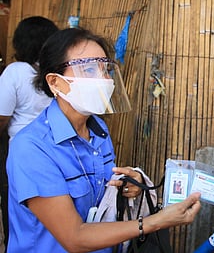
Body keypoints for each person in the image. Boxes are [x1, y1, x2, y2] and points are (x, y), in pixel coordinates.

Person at [6, 28, 201, 253]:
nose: (104, 79)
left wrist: (129, 186)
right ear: (55, 82)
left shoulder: (98, 130)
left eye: (105, 69)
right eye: (89, 69)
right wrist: (155, 222)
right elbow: (74, 237)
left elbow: (102, 195)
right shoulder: (31, 147)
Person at [0, 16, 59, 253]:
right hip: (57, 152)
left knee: (18, 212)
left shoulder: (15, 72)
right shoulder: (56, 75)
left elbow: (1, 116)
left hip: (21, 156)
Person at [0, 16, 59, 141]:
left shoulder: (15, 71)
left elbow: (2, 117)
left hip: (24, 145)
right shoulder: (60, 70)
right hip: (57, 142)